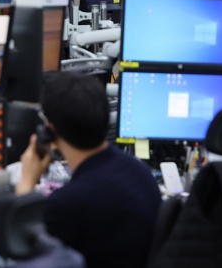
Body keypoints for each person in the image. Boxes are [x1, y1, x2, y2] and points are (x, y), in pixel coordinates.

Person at [17, 72, 162, 268]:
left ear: (50, 130)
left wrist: (27, 180)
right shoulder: (138, 170)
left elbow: (19, 244)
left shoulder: (69, 203)